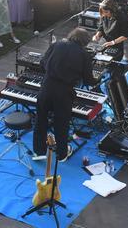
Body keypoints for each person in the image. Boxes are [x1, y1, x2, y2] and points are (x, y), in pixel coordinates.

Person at [32, 28, 97, 162]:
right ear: (85, 42)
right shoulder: (84, 55)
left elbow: (43, 63)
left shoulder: (57, 45)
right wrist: (98, 79)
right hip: (64, 92)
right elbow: (88, 80)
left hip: (47, 87)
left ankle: (39, 152)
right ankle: (61, 154)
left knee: (40, 120)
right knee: (61, 124)